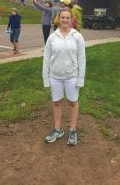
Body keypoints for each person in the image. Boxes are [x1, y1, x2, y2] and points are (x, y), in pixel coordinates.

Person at [43, 8, 86, 146]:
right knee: (56, 102)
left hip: (72, 76)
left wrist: (80, 78)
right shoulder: (52, 37)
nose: (65, 20)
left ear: (72, 19)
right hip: (55, 76)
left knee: (73, 102)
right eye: (62, 17)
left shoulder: (77, 36)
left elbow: (82, 59)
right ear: (58, 19)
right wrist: (46, 77)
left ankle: (72, 130)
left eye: (68, 18)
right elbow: (46, 58)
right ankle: (57, 129)